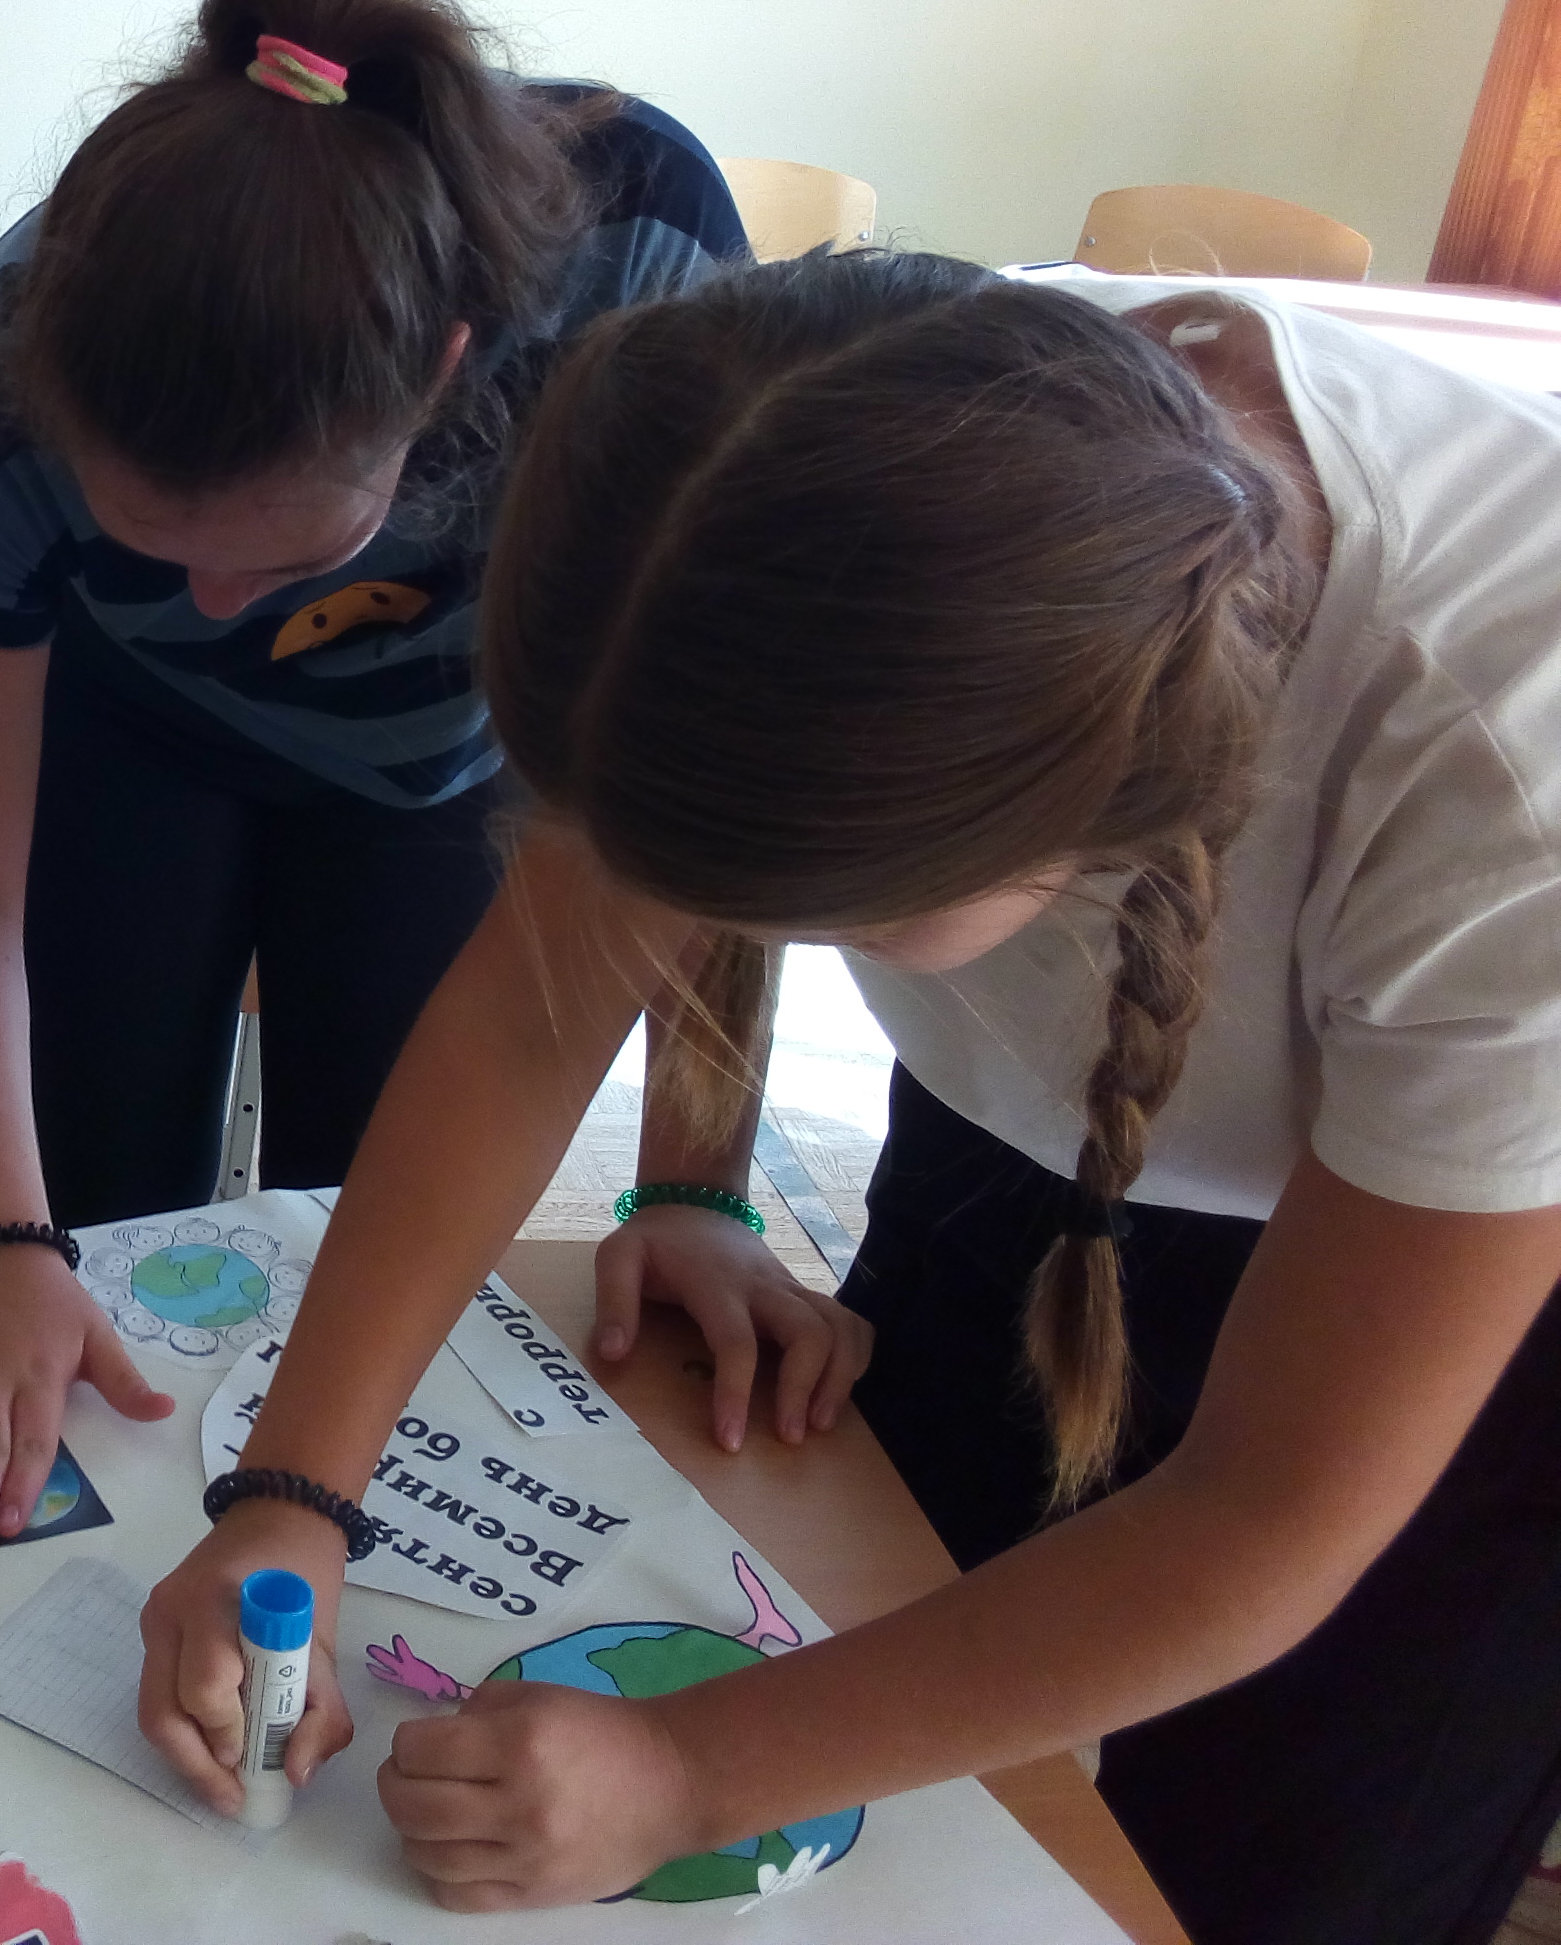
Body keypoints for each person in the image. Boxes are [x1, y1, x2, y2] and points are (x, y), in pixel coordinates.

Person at [139, 252, 1561, 1945]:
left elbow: (1270, 1517)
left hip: (1482, 1287)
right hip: (1025, 1153)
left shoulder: (1508, 779)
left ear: (1078, 825)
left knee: (1266, 1866)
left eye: (820, 921)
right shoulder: (831, 440)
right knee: (887, 1666)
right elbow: (531, 1018)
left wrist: (688, 1772)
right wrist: (295, 1496)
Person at [0, 0, 744, 1545]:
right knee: (99, 1208)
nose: (217, 601)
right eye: (156, 545)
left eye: (277, 555)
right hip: (122, 743)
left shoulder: (646, 269)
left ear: (450, 368)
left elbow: (721, 787)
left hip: (444, 768)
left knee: (378, 1231)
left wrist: (696, 1185)